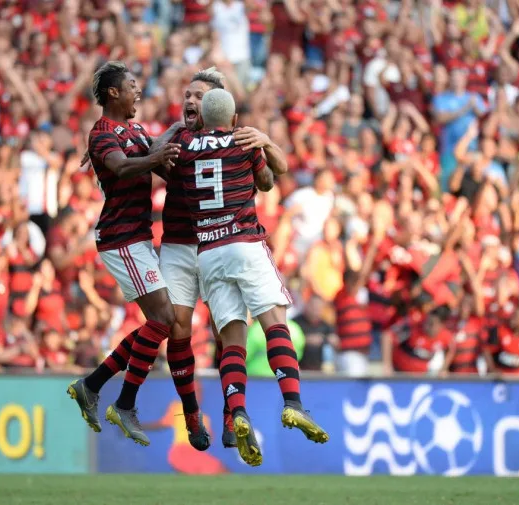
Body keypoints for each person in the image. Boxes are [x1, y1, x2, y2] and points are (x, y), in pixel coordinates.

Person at [171, 88, 329, 467]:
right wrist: (266, 140)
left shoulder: (186, 147)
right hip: (244, 242)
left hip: (208, 251)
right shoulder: (244, 143)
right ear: (235, 120)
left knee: (232, 338)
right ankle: (292, 402)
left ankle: (238, 411)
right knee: (275, 321)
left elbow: (169, 159)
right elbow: (275, 176)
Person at [66, 61, 200, 449]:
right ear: (113, 93)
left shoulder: (135, 129)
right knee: (164, 318)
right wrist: (155, 159)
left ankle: (92, 386)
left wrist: (179, 131)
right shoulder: (102, 133)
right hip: (120, 238)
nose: (137, 92)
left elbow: (155, 150)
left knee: (160, 323)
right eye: (131, 86)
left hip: (138, 237)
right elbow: (123, 168)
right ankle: (122, 403)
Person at [157, 67, 290, 449]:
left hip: (215, 244)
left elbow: (268, 180)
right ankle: (193, 415)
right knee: (178, 326)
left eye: (199, 96)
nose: (190, 101)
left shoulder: (237, 137)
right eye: (187, 95)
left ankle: (232, 416)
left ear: (216, 105)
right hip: (183, 244)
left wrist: (262, 142)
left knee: (228, 330)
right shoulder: (178, 140)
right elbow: (150, 155)